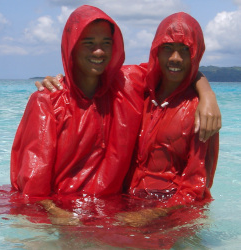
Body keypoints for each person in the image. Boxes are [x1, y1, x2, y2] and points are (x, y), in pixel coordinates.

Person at [12, 5, 220, 225]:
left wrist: (207, 94)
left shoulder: (127, 85)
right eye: (88, 43)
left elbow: (173, 67)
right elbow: (33, 189)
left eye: (106, 43)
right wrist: (60, 218)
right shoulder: (49, 101)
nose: (99, 51)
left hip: (128, 216)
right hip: (73, 217)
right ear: (71, 46)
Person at [117, 12, 219, 227]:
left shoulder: (200, 111)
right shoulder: (137, 92)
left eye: (185, 50)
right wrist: (59, 83)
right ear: (156, 51)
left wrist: (148, 216)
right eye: (167, 48)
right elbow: (94, 77)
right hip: (128, 203)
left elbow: (195, 187)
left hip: (170, 212)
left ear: (196, 54)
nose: (175, 58)